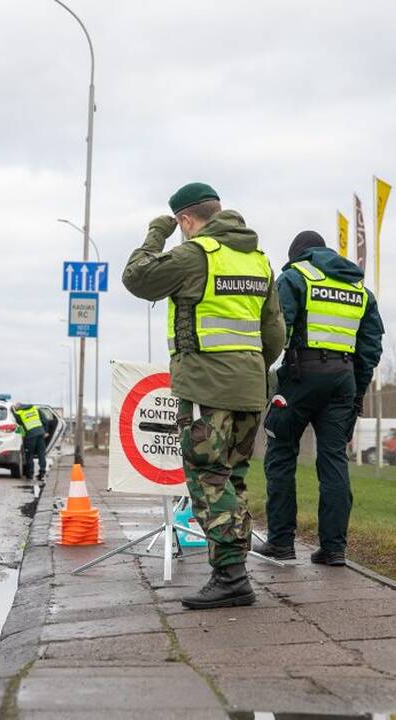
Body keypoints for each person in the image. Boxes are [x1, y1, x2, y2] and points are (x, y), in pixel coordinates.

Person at [123, 182, 285, 609]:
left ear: (186, 220)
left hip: (205, 386)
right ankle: (232, 568)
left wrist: (155, 233)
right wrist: (249, 368)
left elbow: (137, 278)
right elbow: (275, 333)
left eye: (178, 226)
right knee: (232, 476)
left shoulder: (195, 254)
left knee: (207, 477)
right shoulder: (259, 260)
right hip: (251, 388)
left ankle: (231, 576)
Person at [255, 231, 384, 565]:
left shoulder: (295, 276)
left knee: (281, 454)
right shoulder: (360, 290)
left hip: (300, 376)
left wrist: (265, 375)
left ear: (298, 253)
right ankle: (334, 549)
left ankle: (281, 542)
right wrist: (356, 395)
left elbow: (276, 331)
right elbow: (369, 350)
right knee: (333, 462)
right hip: (344, 380)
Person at [14, 403, 48, 481]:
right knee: (41, 454)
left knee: (29, 455)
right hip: (40, 433)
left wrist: (22, 436)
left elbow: (20, 426)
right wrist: (45, 431)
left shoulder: (18, 413)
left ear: (17, 408)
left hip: (30, 436)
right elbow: (45, 420)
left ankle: (30, 474)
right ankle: (42, 473)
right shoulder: (34, 409)